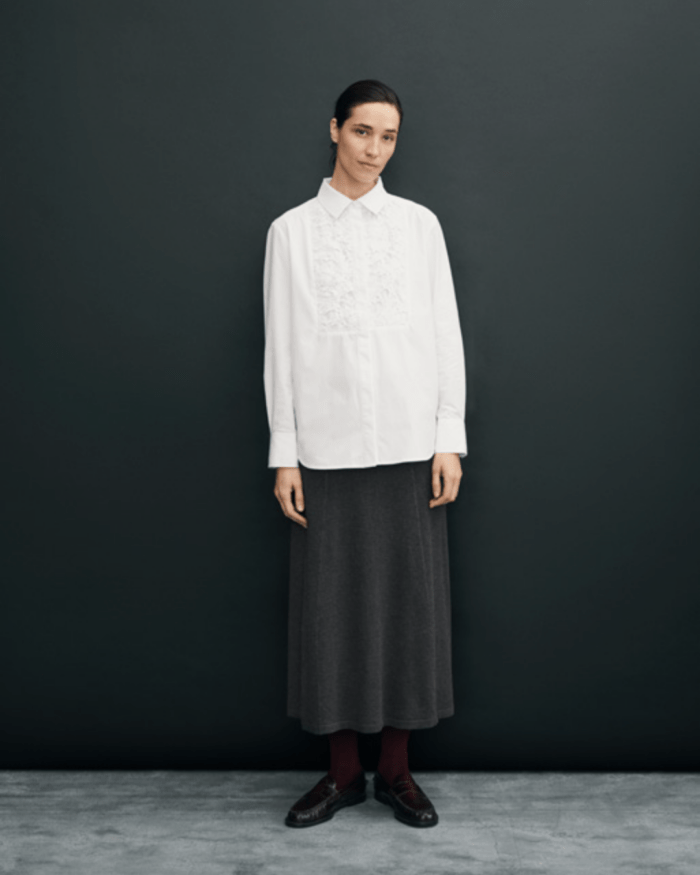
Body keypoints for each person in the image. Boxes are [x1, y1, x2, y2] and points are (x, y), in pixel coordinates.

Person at [262, 79, 467, 829]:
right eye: (362, 132)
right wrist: (285, 453)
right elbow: (280, 348)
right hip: (326, 449)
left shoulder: (419, 226)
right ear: (334, 130)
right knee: (334, 612)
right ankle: (344, 774)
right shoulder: (291, 232)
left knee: (409, 609)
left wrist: (449, 437)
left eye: (388, 137)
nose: (375, 149)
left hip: (411, 448)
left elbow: (445, 333)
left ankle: (399, 772)